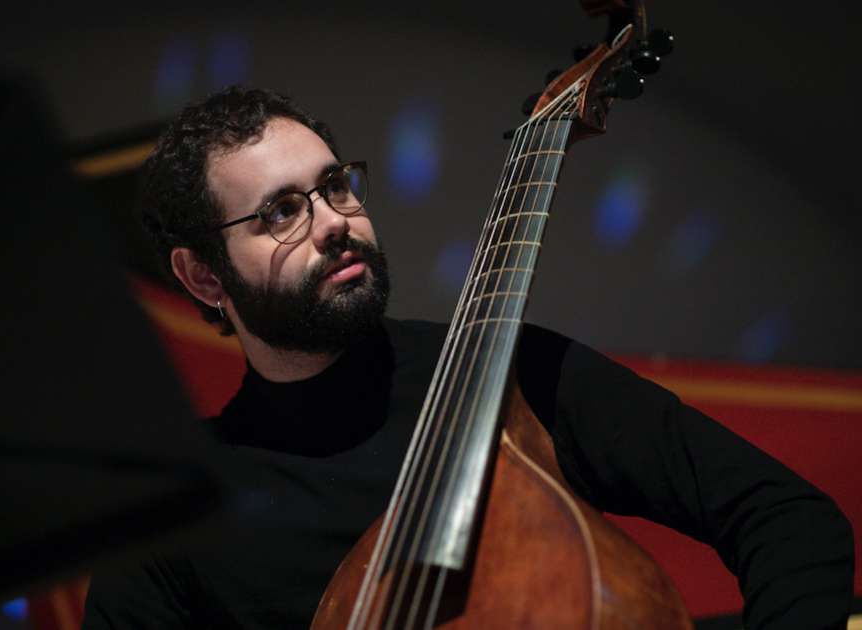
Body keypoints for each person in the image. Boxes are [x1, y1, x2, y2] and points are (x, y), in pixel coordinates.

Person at [81, 85, 854, 630]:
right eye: (282, 211)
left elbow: (785, 515)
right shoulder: (173, 512)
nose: (335, 221)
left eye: (336, 186)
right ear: (203, 277)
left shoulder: (511, 372)